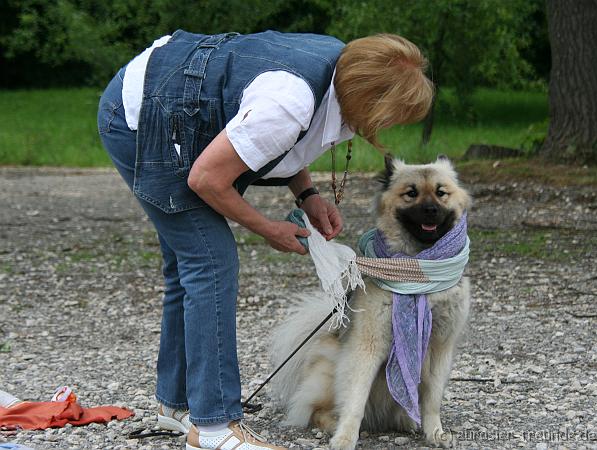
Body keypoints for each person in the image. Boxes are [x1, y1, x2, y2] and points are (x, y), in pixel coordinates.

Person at [97, 29, 433, 450]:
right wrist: (267, 228)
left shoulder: (338, 69)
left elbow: (283, 141)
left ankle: (177, 404)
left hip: (175, 101)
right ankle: (215, 426)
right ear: (371, 98)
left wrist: (307, 196)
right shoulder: (289, 101)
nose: (387, 125)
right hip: (143, 117)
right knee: (210, 261)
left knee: (188, 263)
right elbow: (207, 179)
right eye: (391, 114)